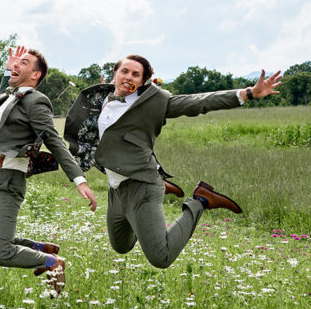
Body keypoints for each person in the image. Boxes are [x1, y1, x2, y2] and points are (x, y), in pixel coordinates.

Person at [64, 54, 282, 269]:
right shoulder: (100, 100)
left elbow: (197, 103)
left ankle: (200, 201)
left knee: (161, 257)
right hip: (116, 188)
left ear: (142, 81)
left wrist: (248, 94)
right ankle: (159, 192)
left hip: (142, 184)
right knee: (121, 246)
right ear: (115, 74)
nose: (129, 77)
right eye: (125, 71)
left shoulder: (152, 104)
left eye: (135, 74)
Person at [0, 46, 97, 295]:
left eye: (23, 63)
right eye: (16, 63)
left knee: (1, 253)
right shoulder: (8, 97)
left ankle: (53, 264)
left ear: (35, 75)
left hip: (6, 182)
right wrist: (9, 68)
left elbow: (53, 140)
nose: (17, 65)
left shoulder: (36, 101)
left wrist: (79, 180)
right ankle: (41, 249)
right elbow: (7, 89)